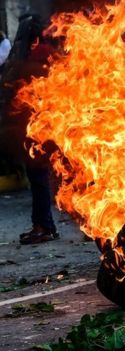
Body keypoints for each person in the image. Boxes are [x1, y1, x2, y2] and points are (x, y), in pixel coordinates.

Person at [0, 14, 58, 244]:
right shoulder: (39, 52)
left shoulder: (39, 54)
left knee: (39, 176)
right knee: (40, 177)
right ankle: (44, 224)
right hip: (37, 123)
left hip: (41, 124)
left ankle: (43, 225)